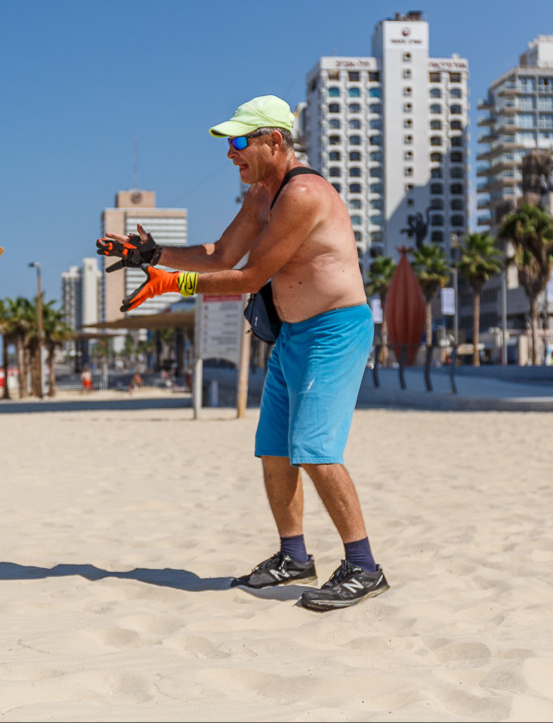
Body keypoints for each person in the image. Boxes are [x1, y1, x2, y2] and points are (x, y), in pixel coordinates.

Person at [96, 95, 388, 611]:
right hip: (292, 335)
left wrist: (172, 283)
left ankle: (364, 566)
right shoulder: (260, 196)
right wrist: (151, 255)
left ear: (274, 140)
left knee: (314, 448)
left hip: (334, 330)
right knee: (274, 449)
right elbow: (220, 255)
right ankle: (293, 556)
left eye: (238, 142)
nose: (231, 154)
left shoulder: (304, 194)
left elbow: (253, 275)